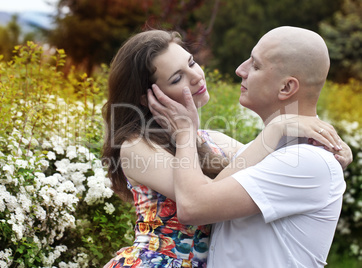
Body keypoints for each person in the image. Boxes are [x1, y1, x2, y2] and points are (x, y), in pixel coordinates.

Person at [147, 26, 350, 267]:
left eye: (255, 65)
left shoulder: (307, 160)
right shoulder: (262, 149)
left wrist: (184, 133)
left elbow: (193, 206)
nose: (240, 70)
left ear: (286, 88)